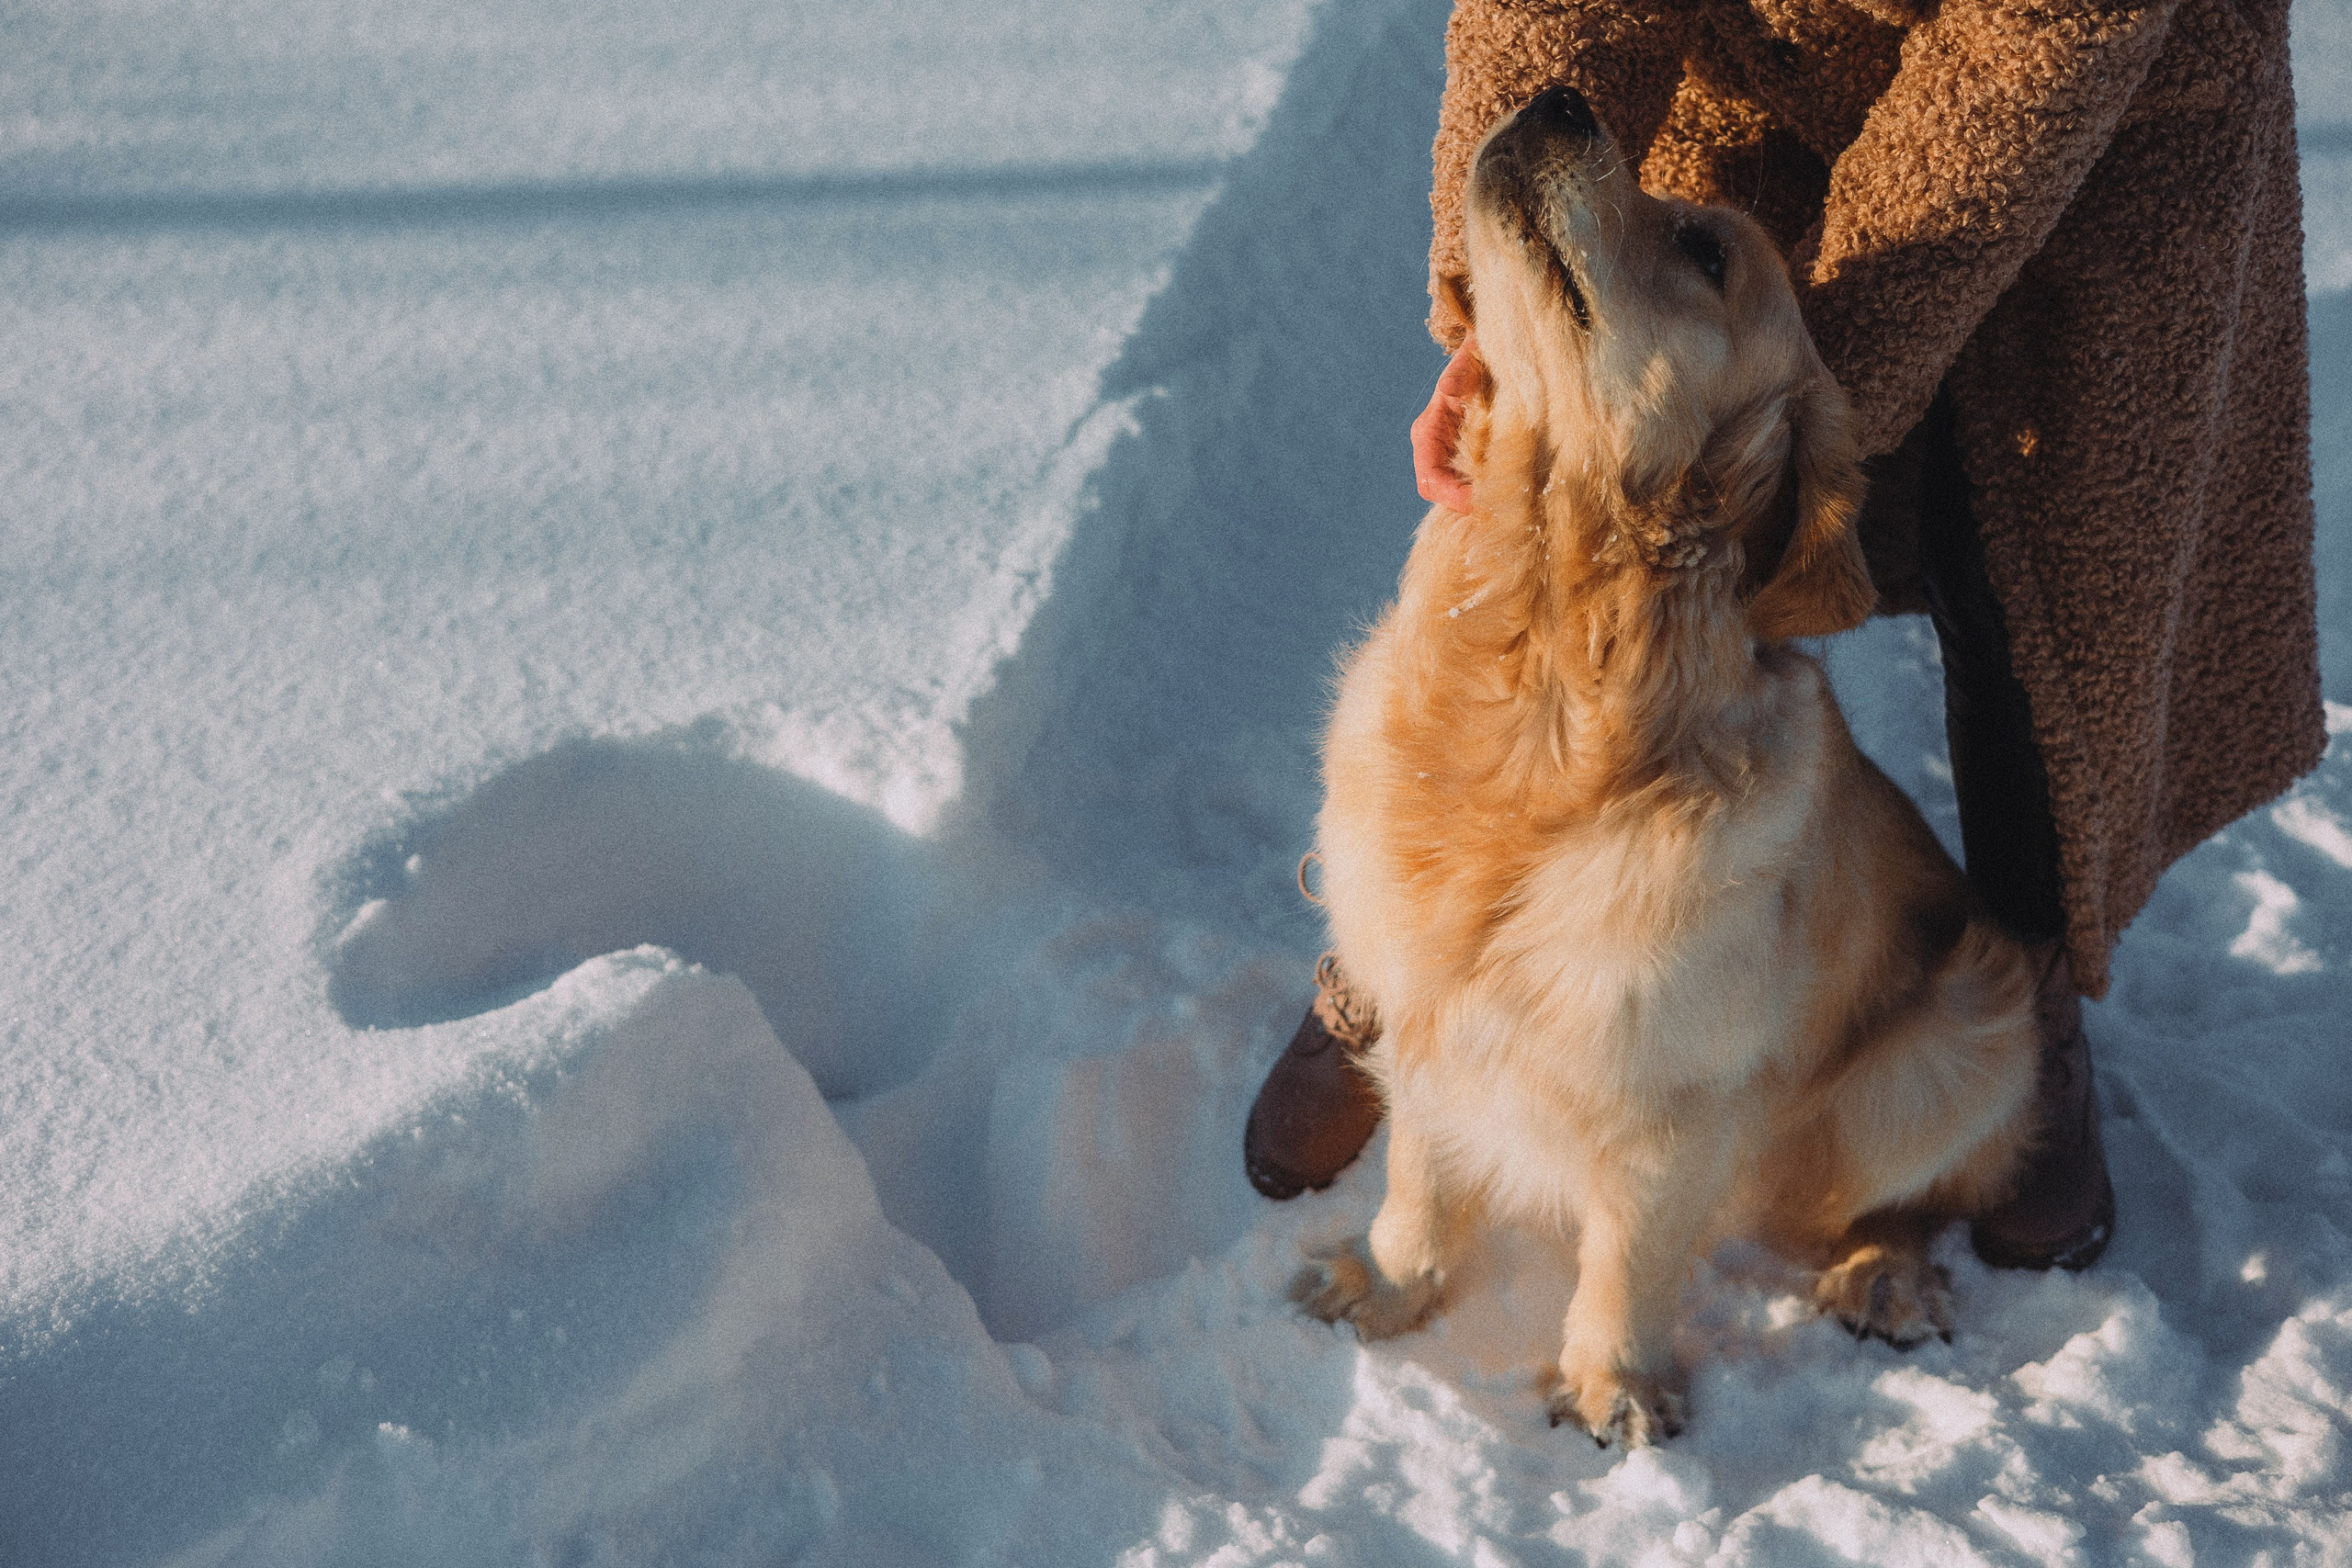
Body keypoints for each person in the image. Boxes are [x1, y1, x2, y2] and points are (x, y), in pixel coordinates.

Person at [1244, 0, 2324, 1273]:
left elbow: (2048, 37)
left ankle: (2020, 996)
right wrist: (1510, 313)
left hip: (2095, 127)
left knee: (2037, 573)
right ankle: (1403, 963)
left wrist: (1762, 406)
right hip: (1766, 66)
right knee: (1547, 483)